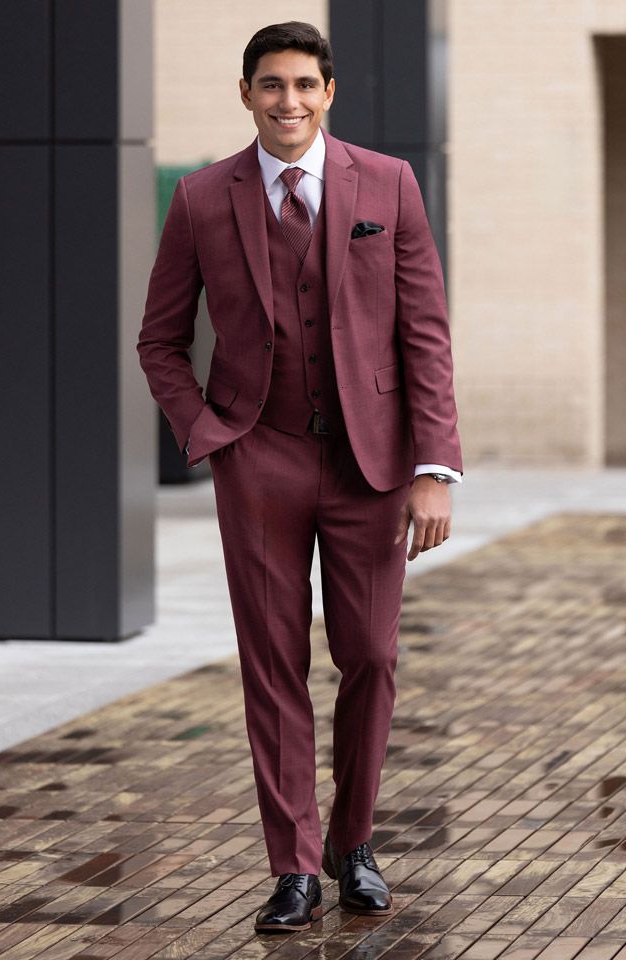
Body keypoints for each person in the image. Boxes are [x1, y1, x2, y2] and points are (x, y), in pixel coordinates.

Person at [137, 21, 462, 933]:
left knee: (370, 655)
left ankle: (354, 843)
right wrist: (207, 433)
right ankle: (294, 868)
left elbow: (425, 332)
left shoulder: (388, 183)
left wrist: (433, 467)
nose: (288, 102)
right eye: (270, 86)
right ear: (246, 94)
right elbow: (159, 338)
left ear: (329, 94)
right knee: (272, 665)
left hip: (372, 463)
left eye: (304, 86)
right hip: (260, 458)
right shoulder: (204, 197)